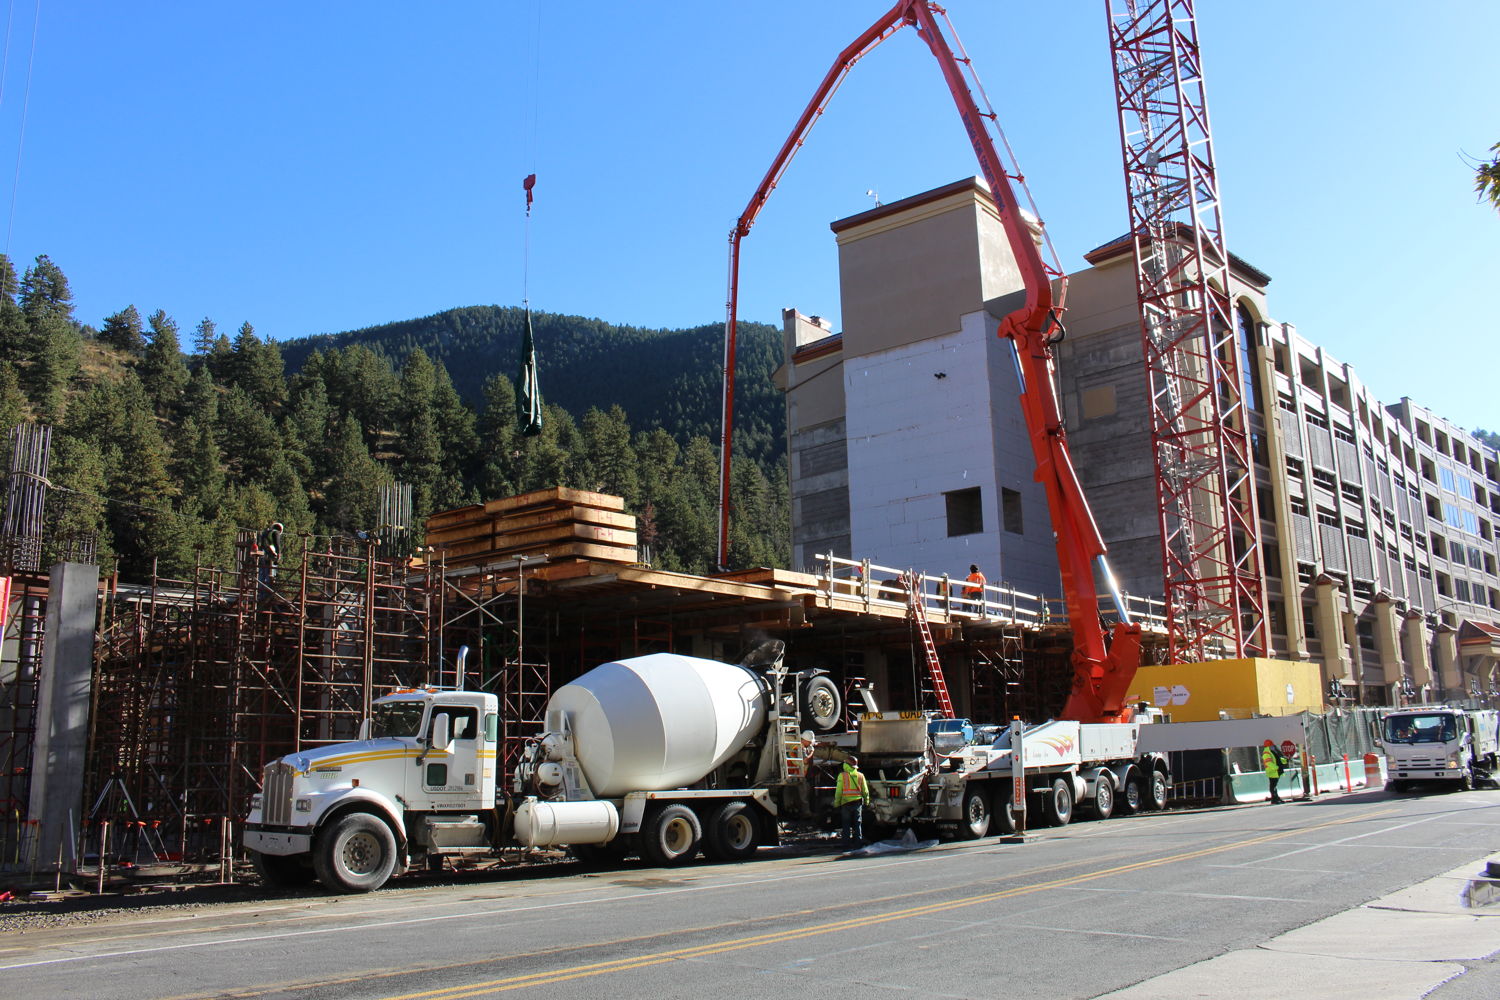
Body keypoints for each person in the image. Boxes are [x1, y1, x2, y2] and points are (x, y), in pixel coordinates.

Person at [835, 756, 870, 846]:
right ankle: (858, 843)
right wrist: (866, 801)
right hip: (857, 803)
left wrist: (837, 804)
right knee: (857, 823)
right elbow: (865, 791)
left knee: (846, 824)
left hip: (845, 803)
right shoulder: (860, 775)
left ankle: (846, 844)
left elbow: (838, 791)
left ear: (846, 764)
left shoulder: (842, 775)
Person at [257, 521, 284, 590]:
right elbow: (277, 545)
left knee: (261, 575)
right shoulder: (276, 533)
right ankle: (268, 593)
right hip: (271, 556)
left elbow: (261, 544)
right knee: (270, 575)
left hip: (263, 555)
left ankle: (260, 593)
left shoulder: (265, 532)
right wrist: (279, 554)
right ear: (280, 529)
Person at [1261, 739, 1285, 804]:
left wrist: (1284, 760)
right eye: (1271, 745)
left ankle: (1276, 798)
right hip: (1272, 771)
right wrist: (1276, 768)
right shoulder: (1267, 753)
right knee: (1273, 786)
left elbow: (1276, 759)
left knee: (1274, 786)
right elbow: (1268, 763)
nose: (1273, 746)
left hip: (1274, 771)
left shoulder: (1271, 752)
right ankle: (1274, 799)